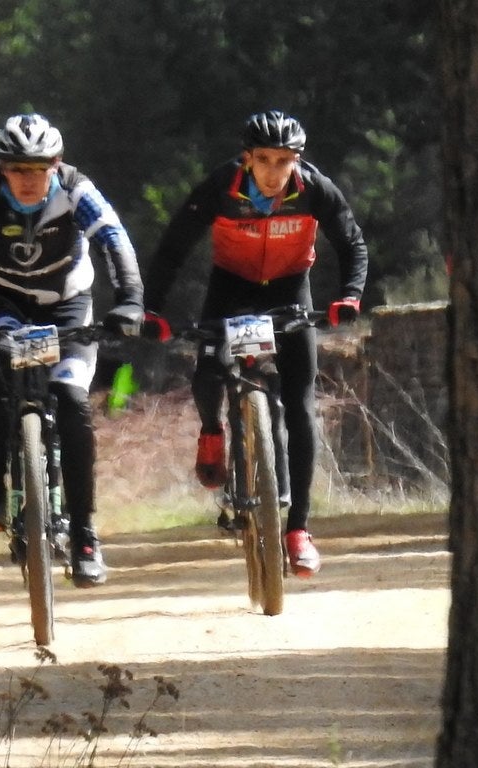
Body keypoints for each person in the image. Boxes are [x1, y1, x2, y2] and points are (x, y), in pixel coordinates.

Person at [0, 113, 145, 588]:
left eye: (38, 169)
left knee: (73, 401)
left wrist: (130, 303)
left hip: (68, 305)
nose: (29, 180)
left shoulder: (77, 190)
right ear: (2, 168)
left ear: (56, 165)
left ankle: (84, 535)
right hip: (2, 302)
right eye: (18, 170)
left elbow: (113, 241)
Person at [142, 110, 368, 578]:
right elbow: (174, 247)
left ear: (296, 161)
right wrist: (151, 309)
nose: (273, 171)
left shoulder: (314, 189)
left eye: (284, 161)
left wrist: (349, 295)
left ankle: (299, 530)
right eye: (263, 160)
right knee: (207, 371)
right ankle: (212, 431)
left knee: (301, 406)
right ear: (247, 158)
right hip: (231, 287)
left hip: (290, 288)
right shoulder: (221, 186)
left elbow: (351, 242)